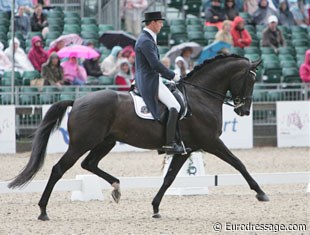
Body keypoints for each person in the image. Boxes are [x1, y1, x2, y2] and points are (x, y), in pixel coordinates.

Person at [135, 11, 187, 155]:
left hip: (151, 77)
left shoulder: (148, 38)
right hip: (149, 79)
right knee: (175, 106)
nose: (162, 25)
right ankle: (169, 143)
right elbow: (155, 65)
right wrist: (174, 76)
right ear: (152, 22)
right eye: (160, 22)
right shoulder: (146, 40)